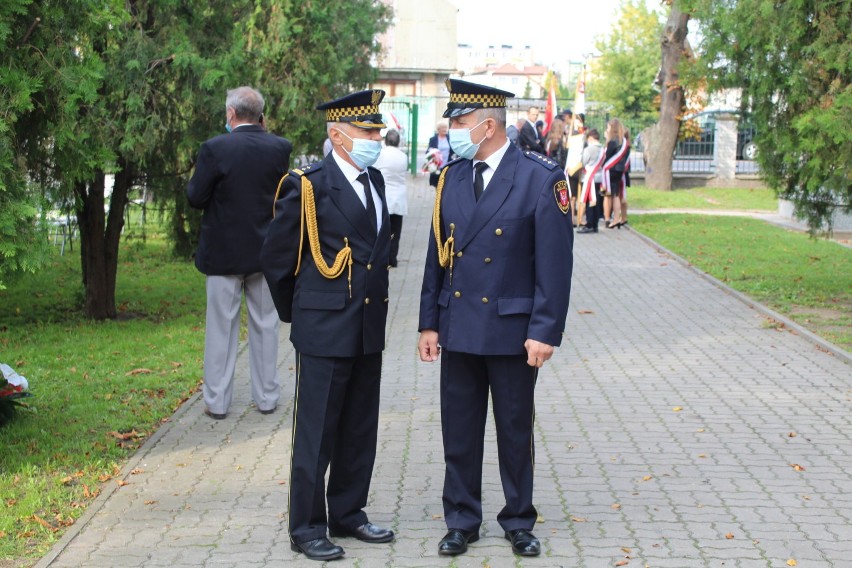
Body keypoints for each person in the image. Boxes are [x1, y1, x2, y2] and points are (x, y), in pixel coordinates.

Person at [418, 79, 574, 558]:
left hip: (512, 329)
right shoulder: (453, 177)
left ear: (487, 126)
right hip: (460, 324)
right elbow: (435, 258)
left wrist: (545, 331)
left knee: (513, 430)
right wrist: (428, 322)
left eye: (459, 123)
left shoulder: (541, 178)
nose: (452, 131)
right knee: (459, 430)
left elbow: (555, 264)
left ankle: (518, 519)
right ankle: (462, 519)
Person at [261, 89, 394, 561]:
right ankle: (306, 526)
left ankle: (348, 512)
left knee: (359, 427)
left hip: (367, 325)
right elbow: (276, 260)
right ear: (337, 136)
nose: (376, 138)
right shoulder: (308, 185)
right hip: (324, 326)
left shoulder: (375, 180)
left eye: (377, 131)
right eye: (366, 131)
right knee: (316, 433)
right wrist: (302, 314)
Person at [186, 86, 291, 420]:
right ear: (260, 114)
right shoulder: (279, 148)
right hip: (264, 252)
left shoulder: (215, 148)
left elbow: (195, 196)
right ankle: (267, 398)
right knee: (266, 326)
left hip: (223, 255)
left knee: (221, 329)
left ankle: (217, 403)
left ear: (231, 113)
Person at [374, 129, 409, 267]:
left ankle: (383, 257)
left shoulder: (381, 154)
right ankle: (392, 258)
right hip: (399, 196)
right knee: (396, 230)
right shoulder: (403, 156)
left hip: (385, 195)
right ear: (398, 141)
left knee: (383, 230)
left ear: (385, 140)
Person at [602, 118, 630, 229]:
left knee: (608, 195)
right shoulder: (623, 141)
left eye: (608, 127)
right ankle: (617, 219)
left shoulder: (612, 141)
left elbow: (607, 157)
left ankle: (609, 218)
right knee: (617, 195)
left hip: (611, 170)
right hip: (619, 170)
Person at [577, 129, 604, 233]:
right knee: (596, 202)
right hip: (598, 178)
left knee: (589, 202)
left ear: (591, 138)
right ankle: (595, 224)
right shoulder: (602, 149)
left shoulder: (589, 149)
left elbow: (583, 162)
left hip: (589, 178)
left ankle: (589, 224)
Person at [427, 121, 453, 187]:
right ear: (438, 129)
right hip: (437, 166)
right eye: (443, 128)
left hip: (447, 165)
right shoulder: (433, 139)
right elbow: (428, 151)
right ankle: (438, 197)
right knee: (437, 185)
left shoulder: (450, 138)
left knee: (446, 184)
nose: (445, 129)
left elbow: (453, 151)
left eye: (446, 127)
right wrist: (432, 154)